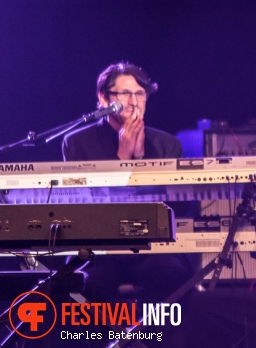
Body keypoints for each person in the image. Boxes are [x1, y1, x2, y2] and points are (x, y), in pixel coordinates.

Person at [61, 62, 194, 304]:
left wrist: (141, 159)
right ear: (104, 99)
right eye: (125, 93)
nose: (134, 102)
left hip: (151, 248)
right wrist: (121, 158)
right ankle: (106, 341)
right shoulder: (78, 142)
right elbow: (82, 207)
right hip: (99, 251)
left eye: (140, 94)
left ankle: (153, 340)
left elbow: (177, 208)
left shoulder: (167, 144)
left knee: (174, 275)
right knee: (81, 283)